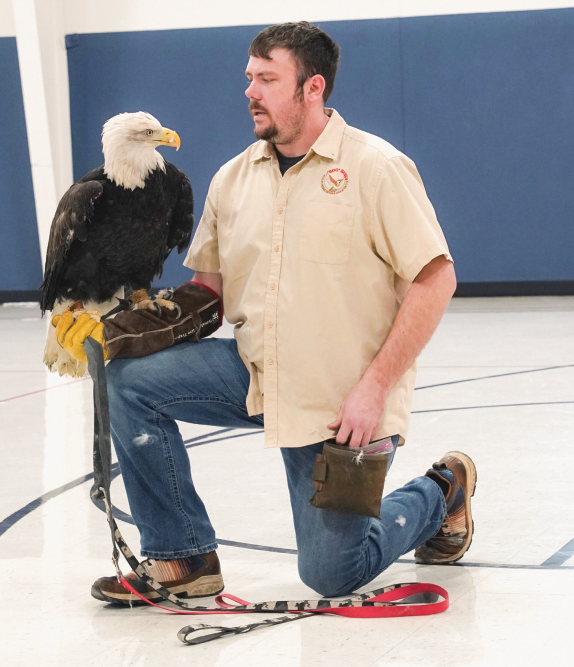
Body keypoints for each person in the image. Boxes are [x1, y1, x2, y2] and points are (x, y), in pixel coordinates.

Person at [61, 21, 476, 603]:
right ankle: (182, 558)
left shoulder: (376, 167)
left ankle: (443, 489)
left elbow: (436, 280)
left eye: (267, 78)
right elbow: (210, 293)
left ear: (313, 88)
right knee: (129, 381)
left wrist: (374, 388)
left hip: (344, 408)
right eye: (249, 78)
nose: (251, 91)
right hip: (254, 376)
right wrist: (125, 326)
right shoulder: (232, 179)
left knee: (333, 573)